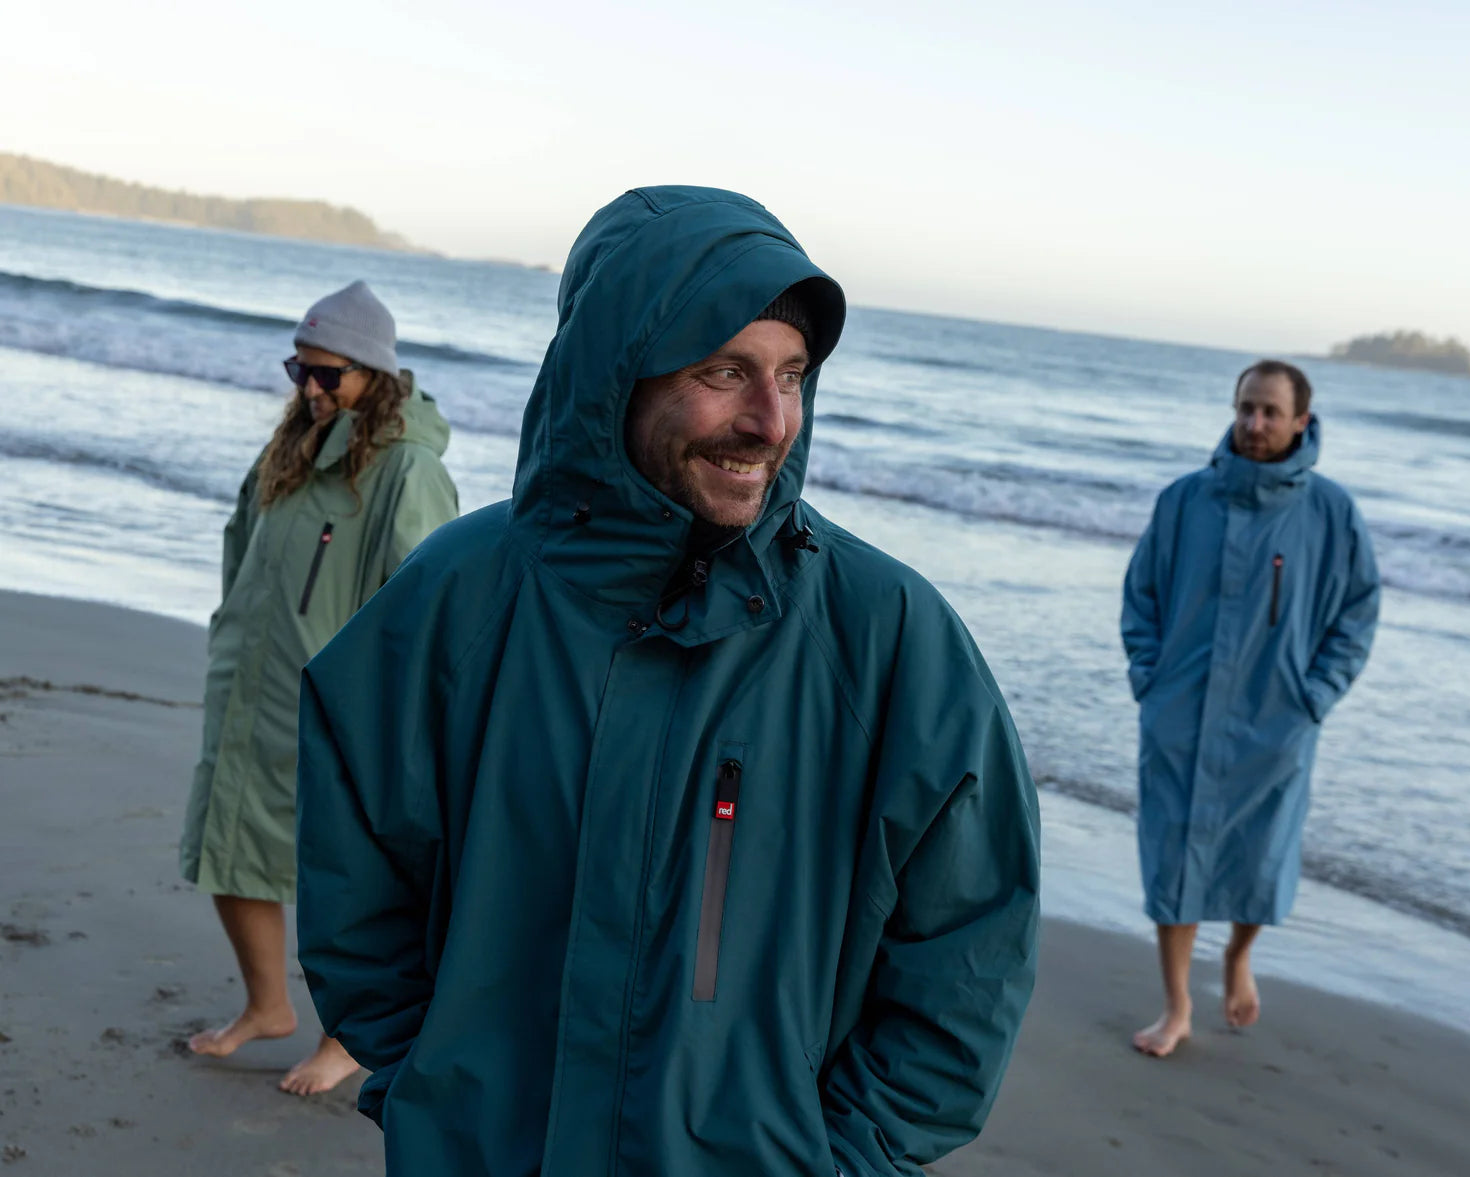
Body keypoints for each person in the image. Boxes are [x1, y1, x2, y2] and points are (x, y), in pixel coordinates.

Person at [296, 187, 1041, 1174]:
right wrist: (435, 1083)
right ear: (618, 373)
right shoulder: (457, 600)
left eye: (792, 374)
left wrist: (846, 1157)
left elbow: (969, 949)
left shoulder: (890, 637)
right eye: (723, 371)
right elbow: (358, 888)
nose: (771, 419)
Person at [179, 280, 459, 1095]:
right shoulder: (291, 445)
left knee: (348, 877)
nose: (308, 388)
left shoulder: (407, 469)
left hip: (335, 708)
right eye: (298, 369)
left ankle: (351, 1036)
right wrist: (230, 629)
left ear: (372, 373)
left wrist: (390, 714)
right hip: (248, 683)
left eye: (327, 374)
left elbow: (425, 600)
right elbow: (242, 542)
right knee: (227, 850)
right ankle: (268, 1006)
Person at [1121, 359, 1379, 1058]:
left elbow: (1358, 613)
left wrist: (1316, 694)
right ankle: (1176, 1005)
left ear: (1301, 420)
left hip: (1277, 720)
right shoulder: (1185, 500)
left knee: (1259, 856)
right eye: (1246, 408)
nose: (1255, 423)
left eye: (1270, 411)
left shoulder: (1331, 512)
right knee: (1174, 857)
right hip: (1181, 711)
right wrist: (1151, 676)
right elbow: (1141, 593)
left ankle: (1237, 955)